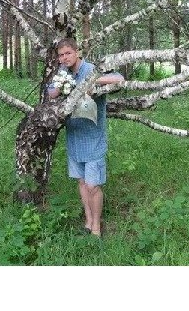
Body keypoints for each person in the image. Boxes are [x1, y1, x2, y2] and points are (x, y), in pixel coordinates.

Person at [48, 38, 124, 238]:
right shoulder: (63, 73)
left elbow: (118, 78)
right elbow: (51, 93)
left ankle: (97, 227)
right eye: (61, 55)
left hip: (93, 137)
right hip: (74, 136)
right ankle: (88, 221)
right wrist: (61, 84)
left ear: (77, 52)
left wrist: (91, 81)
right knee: (82, 183)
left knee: (93, 185)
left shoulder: (91, 69)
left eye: (68, 53)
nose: (65, 58)